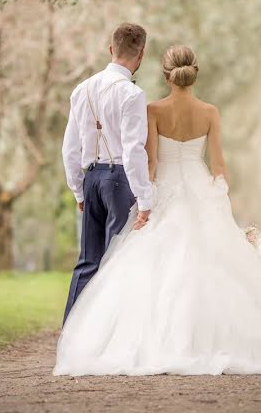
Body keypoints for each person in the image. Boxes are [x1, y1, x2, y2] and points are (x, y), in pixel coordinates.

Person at [54, 44, 261, 376]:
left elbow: (149, 163)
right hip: (200, 187)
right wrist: (218, 199)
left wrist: (144, 202)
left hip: (164, 189)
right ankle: (214, 339)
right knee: (213, 266)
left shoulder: (152, 110)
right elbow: (219, 165)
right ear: (194, 73)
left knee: (147, 265)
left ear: (166, 75)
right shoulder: (210, 112)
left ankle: (147, 341)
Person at [60, 22, 152, 323]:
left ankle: (72, 334)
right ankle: (110, 334)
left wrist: (78, 189)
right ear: (141, 55)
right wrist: (145, 199)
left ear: (111, 49)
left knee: (87, 260)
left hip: (92, 178)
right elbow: (133, 150)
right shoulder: (132, 95)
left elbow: (69, 148)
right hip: (119, 180)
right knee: (118, 260)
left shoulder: (81, 89)